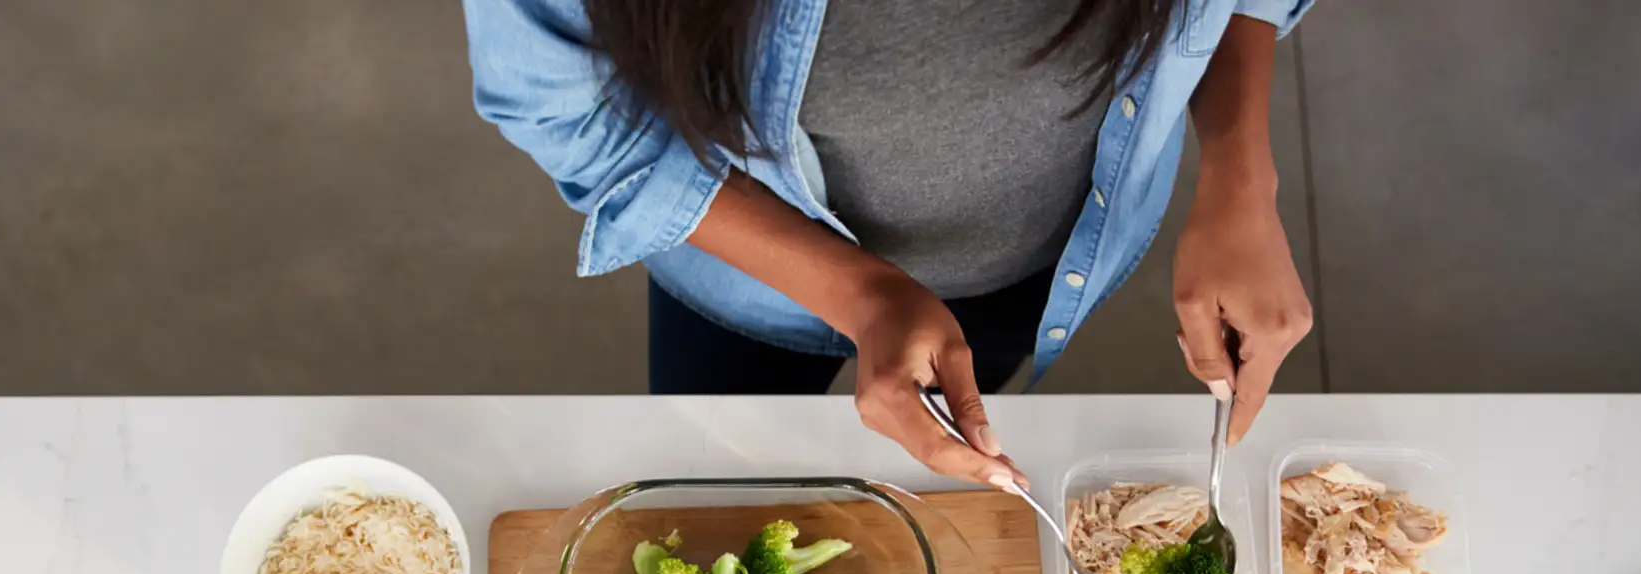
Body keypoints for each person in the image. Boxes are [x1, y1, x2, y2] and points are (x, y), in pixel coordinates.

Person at [463, 0, 1314, 487]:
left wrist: (1242, 178)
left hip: (1034, 257)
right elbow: (563, 104)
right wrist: (859, 293)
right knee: (713, 475)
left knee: (947, 445)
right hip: (738, 270)